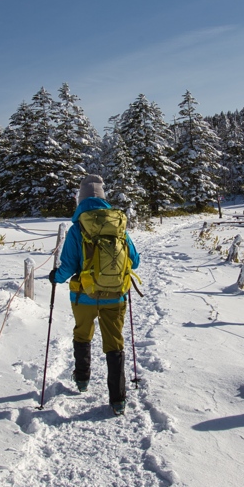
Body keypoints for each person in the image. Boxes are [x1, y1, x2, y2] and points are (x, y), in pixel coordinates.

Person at [49, 174, 140, 415]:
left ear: (81, 200)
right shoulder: (118, 225)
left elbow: (68, 266)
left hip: (83, 295)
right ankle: (118, 399)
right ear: (103, 198)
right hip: (116, 295)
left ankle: (82, 379)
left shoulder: (77, 228)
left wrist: (56, 277)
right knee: (114, 342)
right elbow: (135, 261)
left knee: (82, 334)